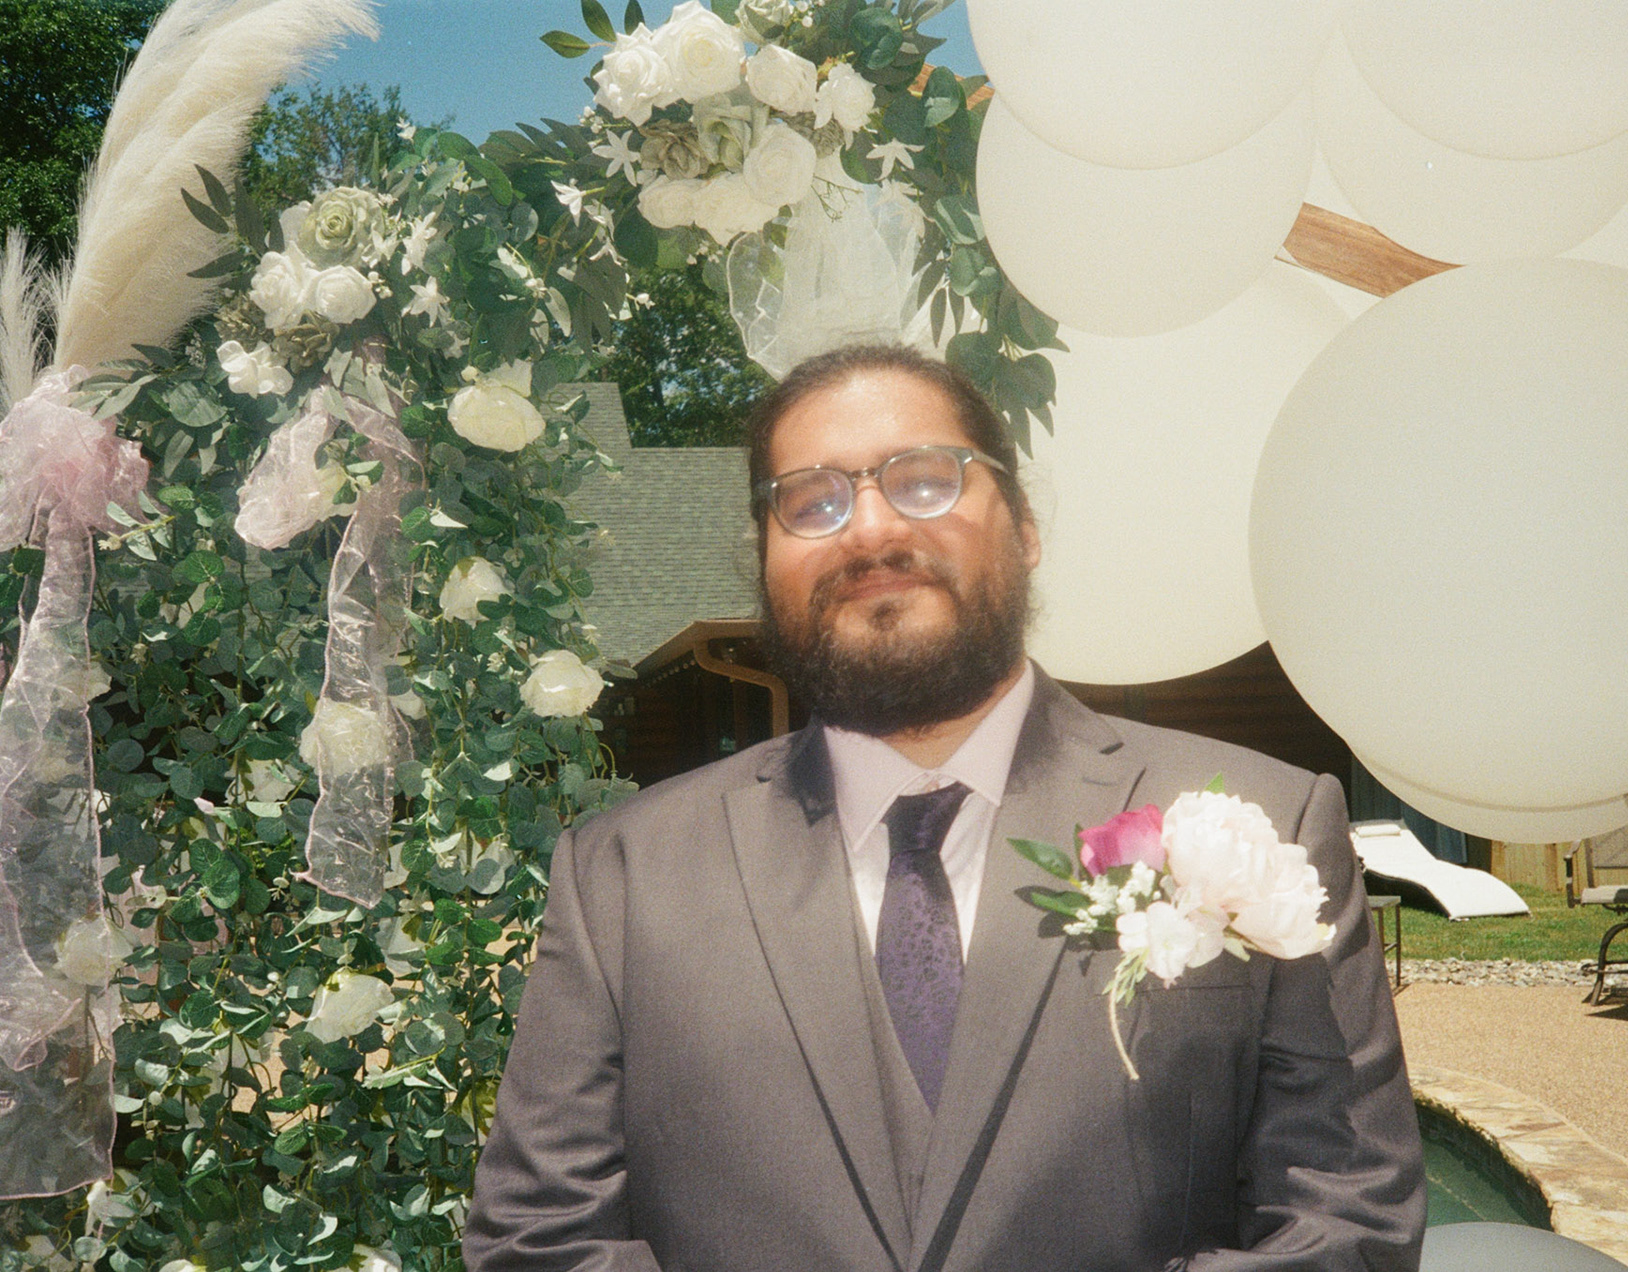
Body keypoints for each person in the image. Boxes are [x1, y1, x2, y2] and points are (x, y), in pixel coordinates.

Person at [465, 344, 1426, 1272]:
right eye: (811, 501)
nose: (869, 530)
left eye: (924, 479)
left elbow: (1347, 1221)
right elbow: (538, 1240)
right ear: (763, 560)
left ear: (1025, 526)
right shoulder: (623, 876)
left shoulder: (1273, 824)